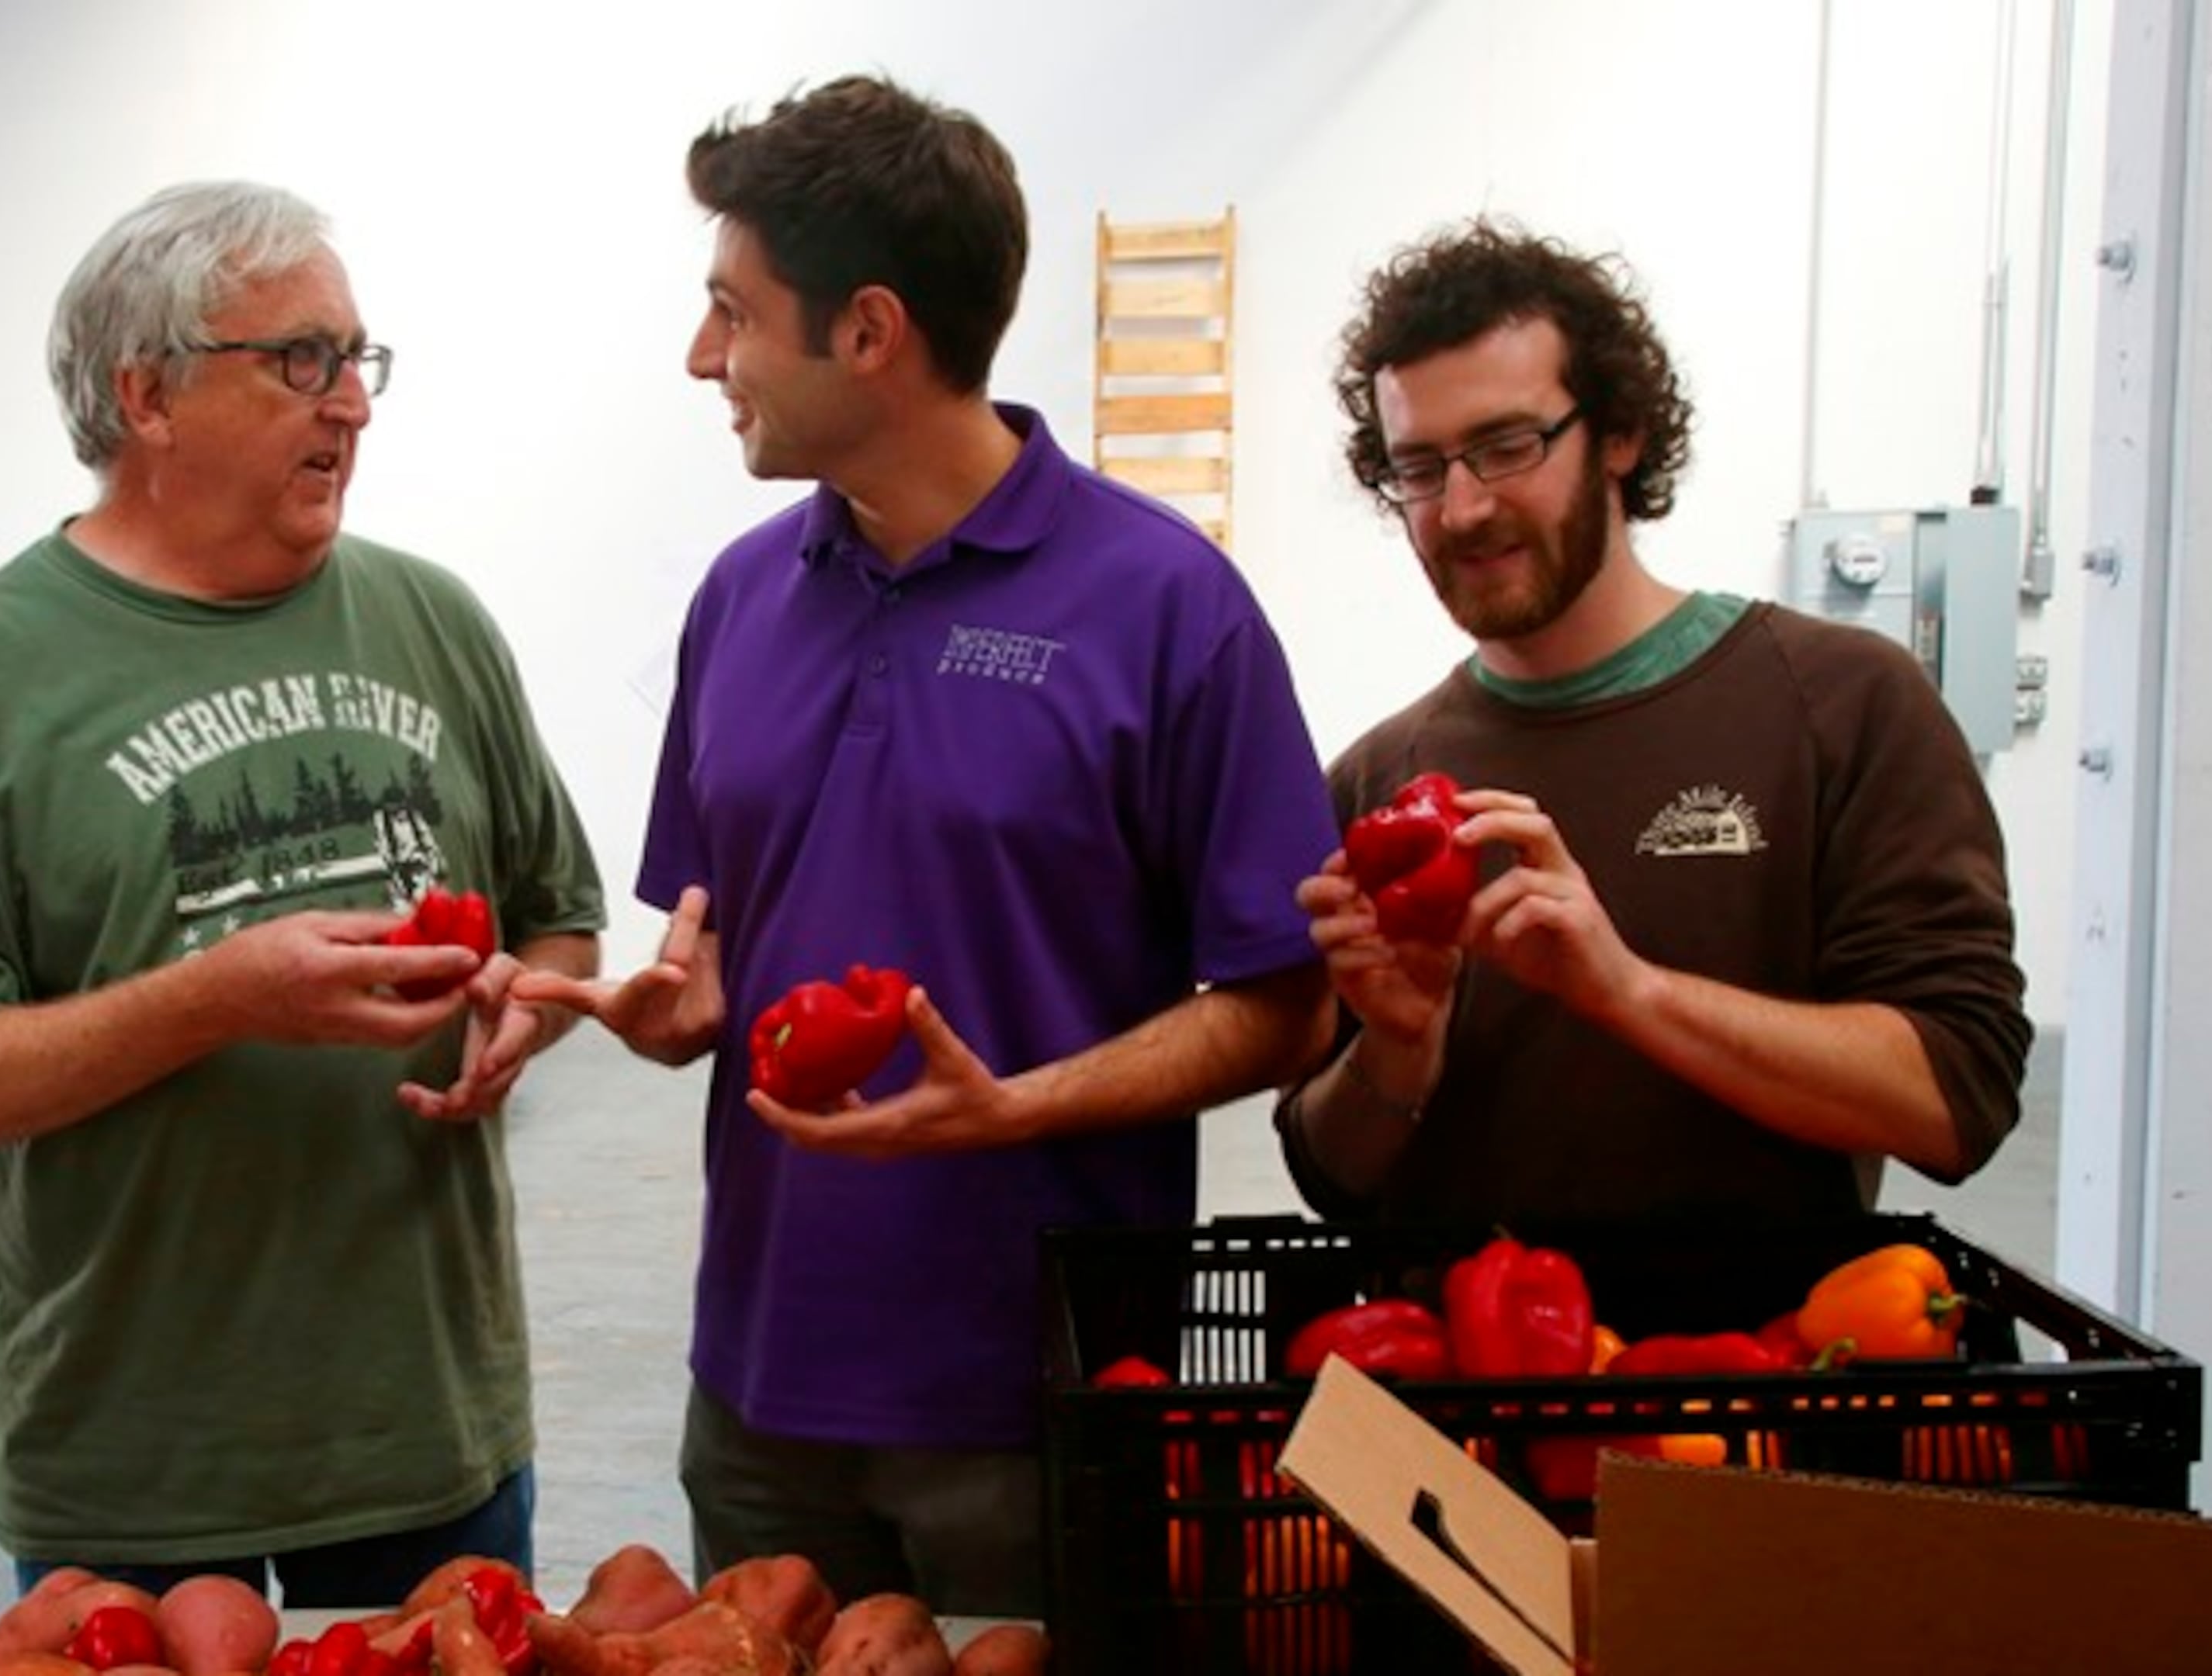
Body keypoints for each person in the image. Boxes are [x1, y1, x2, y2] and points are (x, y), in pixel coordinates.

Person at [515, 76, 1337, 1616]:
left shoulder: (1170, 613)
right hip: (756, 1395)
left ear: (871, 333)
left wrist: (1018, 1107)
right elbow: (716, 940)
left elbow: (1292, 1001)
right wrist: (682, 1007)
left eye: (733, 314)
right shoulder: (739, 601)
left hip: (1032, 1410)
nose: (705, 358)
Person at [0, 181, 605, 1605]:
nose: (352, 403)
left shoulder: (435, 621)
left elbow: (558, 914)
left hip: (425, 1436)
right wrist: (216, 1000)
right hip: (136, 1471)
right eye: (302, 359)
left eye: (362, 358)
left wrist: (519, 1014)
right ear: (148, 396)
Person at [1276, 219, 2031, 1250]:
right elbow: (1331, 1172)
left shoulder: (1841, 707)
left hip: (1761, 1388)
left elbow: (1957, 1096)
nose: (1460, 508)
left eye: (1507, 447)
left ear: (1621, 433)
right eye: (1418, 467)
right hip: (1453, 1394)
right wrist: (1398, 1055)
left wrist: (1626, 990)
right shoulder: (1380, 780)